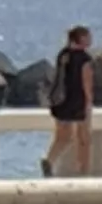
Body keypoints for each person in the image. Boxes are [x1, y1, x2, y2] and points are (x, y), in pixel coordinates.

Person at [41, 25, 94, 177]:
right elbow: (86, 82)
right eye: (88, 37)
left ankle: (49, 160)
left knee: (63, 136)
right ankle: (84, 170)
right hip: (78, 101)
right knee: (84, 138)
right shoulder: (84, 58)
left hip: (60, 100)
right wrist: (89, 102)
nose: (90, 40)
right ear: (82, 39)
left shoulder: (63, 54)